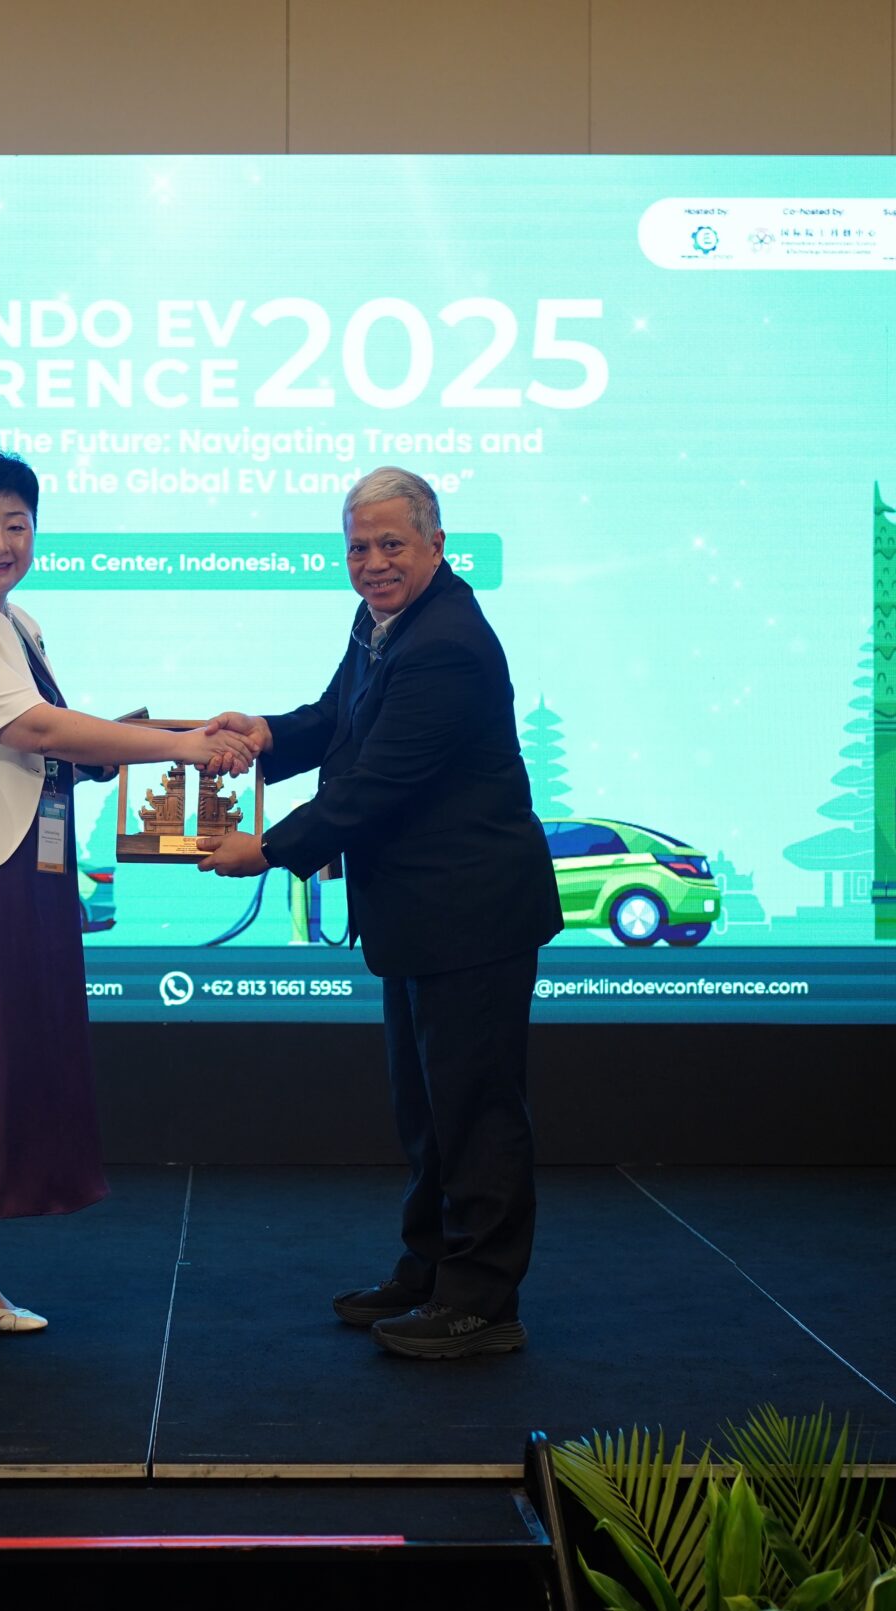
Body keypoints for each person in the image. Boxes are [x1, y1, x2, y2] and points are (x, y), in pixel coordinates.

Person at [0, 444, 253, 1347]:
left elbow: (52, 744)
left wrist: (129, 747)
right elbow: (31, 727)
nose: (0, 542)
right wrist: (182, 747)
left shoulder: (17, 622)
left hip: (6, 862)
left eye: (16, 524)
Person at [196, 467, 560, 1359]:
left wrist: (264, 849)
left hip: (472, 914)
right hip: (422, 913)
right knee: (428, 1110)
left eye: (392, 543)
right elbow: (340, 719)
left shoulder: (447, 642)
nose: (373, 562)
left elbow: (379, 782)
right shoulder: (381, 621)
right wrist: (266, 734)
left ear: (437, 543)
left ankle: (481, 1301)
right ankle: (430, 1268)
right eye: (359, 546)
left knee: (475, 1111)